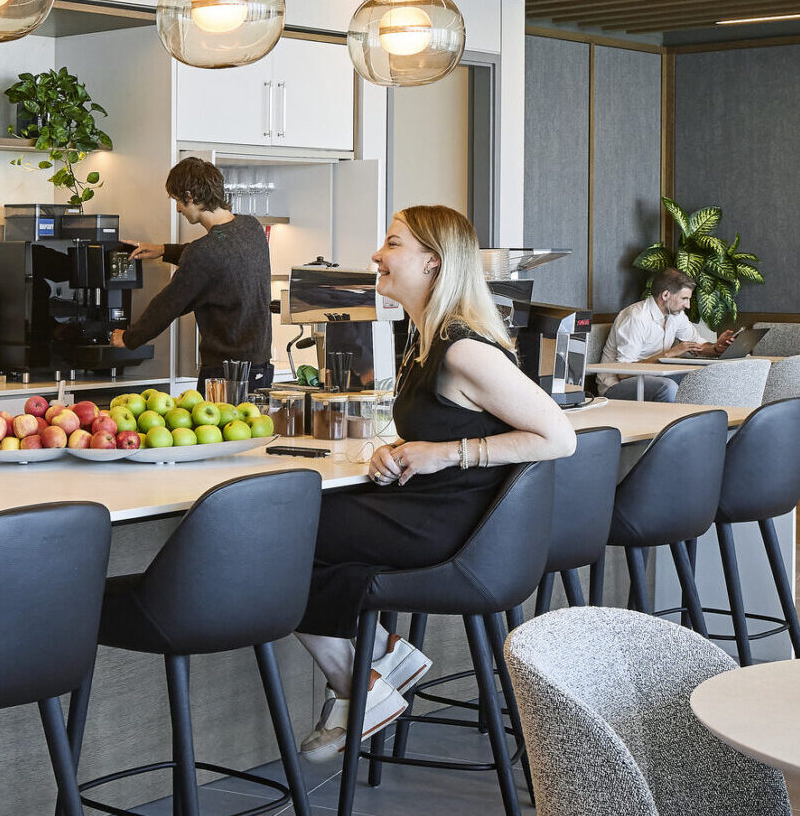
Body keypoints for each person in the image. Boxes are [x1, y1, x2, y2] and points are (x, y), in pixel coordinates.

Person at [292, 205, 576, 761]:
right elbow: (449, 425)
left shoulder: (463, 347)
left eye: (392, 243)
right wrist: (399, 453)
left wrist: (445, 454)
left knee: (282, 535)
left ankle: (360, 681)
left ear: (432, 263)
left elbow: (559, 437)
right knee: (307, 540)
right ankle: (382, 655)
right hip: (435, 509)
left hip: (454, 529)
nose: (377, 254)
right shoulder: (425, 340)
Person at [110, 158, 273, 389]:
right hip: (260, 368)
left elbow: (167, 305)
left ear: (189, 196)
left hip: (225, 374)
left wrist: (128, 338)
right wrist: (163, 250)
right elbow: (222, 254)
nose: (177, 208)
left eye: (177, 200)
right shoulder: (251, 227)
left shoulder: (204, 253)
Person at [600, 267, 735, 400]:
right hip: (615, 386)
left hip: (655, 377)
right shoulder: (636, 317)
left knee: (702, 379)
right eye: (684, 298)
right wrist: (669, 354)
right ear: (665, 295)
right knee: (667, 387)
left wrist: (716, 348)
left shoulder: (676, 315)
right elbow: (623, 373)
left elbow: (697, 344)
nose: (687, 305)